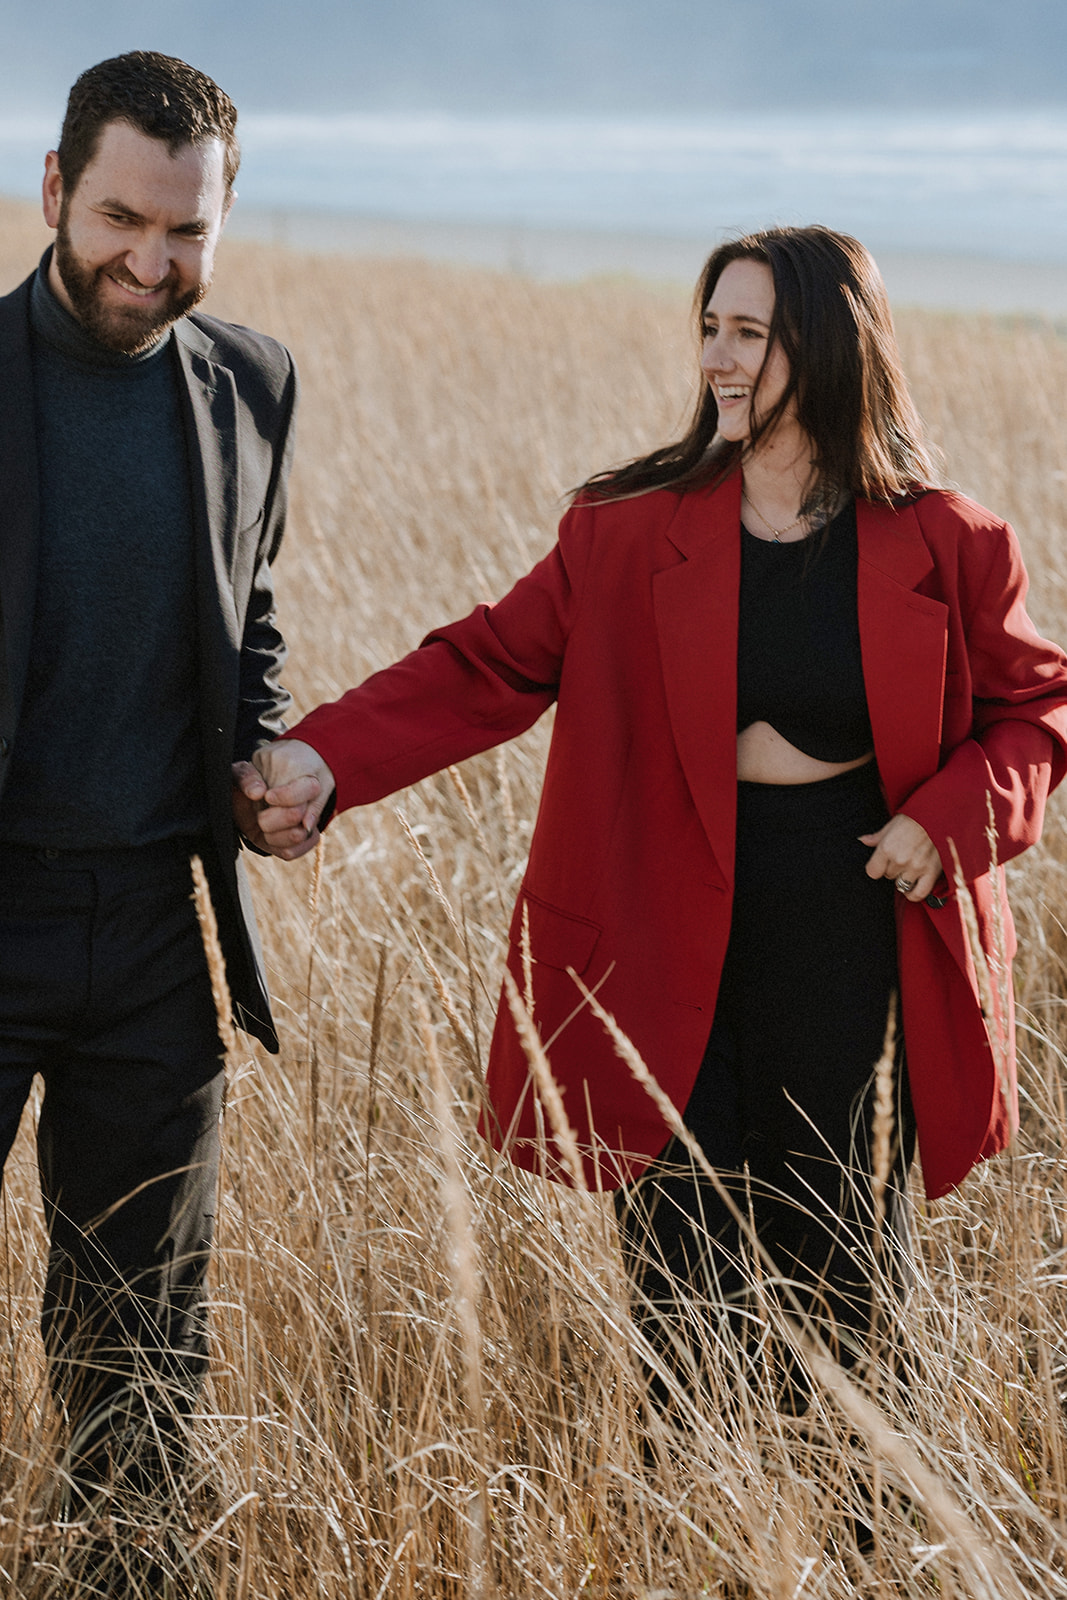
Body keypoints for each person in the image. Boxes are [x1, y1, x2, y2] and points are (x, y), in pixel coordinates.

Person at [250, 226, 1067, 1405]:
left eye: (750, 334)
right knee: (680, 1287)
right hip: (661, 924)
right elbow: (485, 665)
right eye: (708, 329)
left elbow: (1037, 709)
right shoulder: (625, 526)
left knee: (842, 1278)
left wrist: (945, 819)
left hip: (854, 920)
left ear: (831, 348)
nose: (716, 359)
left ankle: (856, 1548)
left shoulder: (947, 539)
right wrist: (325, 757)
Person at [0, 49, 302, 1554]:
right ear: (54, 192)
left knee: (141, 1351)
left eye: (187, 232)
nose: (151, 259)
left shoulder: (252, 379)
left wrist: (261, 758)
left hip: (153, 943)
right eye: (122, 217)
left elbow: (245, 615)